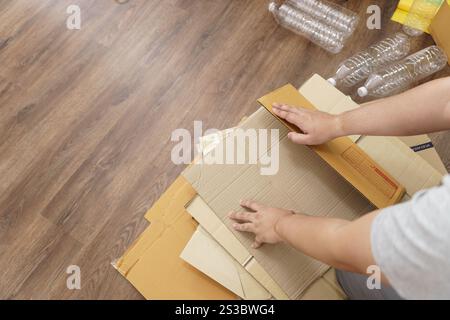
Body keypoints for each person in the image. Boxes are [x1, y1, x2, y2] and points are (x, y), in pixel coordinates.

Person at [228, 77, 450, 300]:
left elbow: (344, 250)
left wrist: (278, 224)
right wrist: (336, 124)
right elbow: (444, 101)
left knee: (356, 275)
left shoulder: (440, 226)